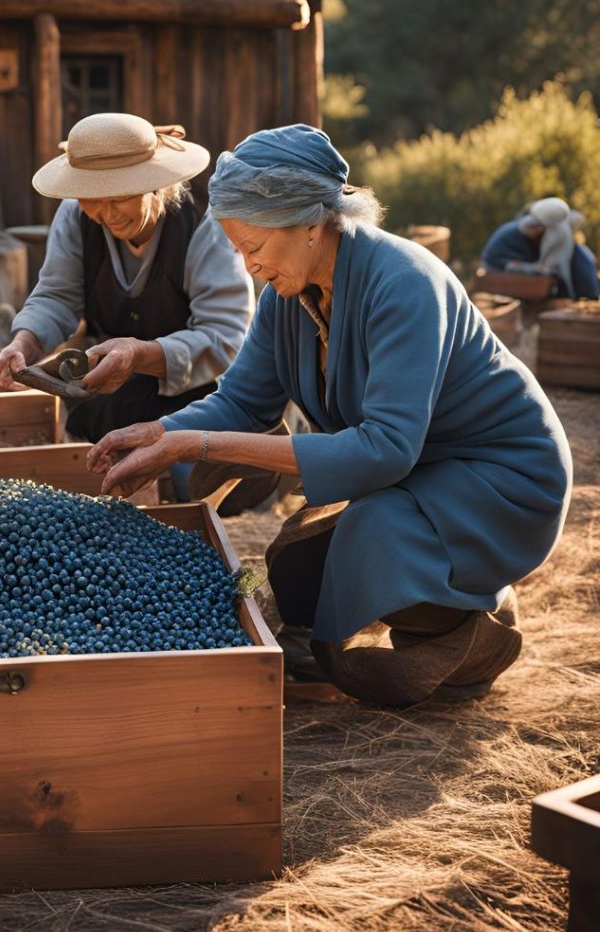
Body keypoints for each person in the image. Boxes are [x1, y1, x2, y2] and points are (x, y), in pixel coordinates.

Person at [87, 124, 573, 708]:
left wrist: (199, 445)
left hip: (501, 479)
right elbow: (243, 402)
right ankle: (460, 595)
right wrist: (161, 432)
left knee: (374, 542)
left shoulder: (405, 285)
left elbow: (384, 450)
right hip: (422, 472)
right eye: (239, 250)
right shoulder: (286, 296)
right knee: (294, 566)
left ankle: (476, 635)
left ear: (312, 223)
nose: (249, 267)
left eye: (256, 248)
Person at [0, 113, 255, 501]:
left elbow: (224, 337)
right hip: (112, 388)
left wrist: (139, 355)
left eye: (120, 198)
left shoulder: (204, 225)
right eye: (93, 200)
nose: (107, 214)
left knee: (184, 488)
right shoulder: (76, 217)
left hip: (197, 396)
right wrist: (24, 343)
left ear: (157, 186)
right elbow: (57, 296)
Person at [481, 196, 599, 299]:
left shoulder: (558, 233)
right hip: (502, 272)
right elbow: (508, 265)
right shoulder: (514, 236)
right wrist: (540, 269)